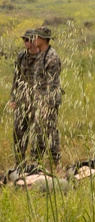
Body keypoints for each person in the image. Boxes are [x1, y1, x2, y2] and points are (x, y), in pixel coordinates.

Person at [10, 27, 62, 169]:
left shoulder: (51, 57)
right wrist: (14, 98)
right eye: (26, 39)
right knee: (20, 131)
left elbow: (52, 84)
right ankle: (25, 165)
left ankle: (48, 165)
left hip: (46, 103)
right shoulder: (25, 56)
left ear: (42, 39)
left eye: (34, 38)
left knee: (47, 133)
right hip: (29, 100)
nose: (30, 41)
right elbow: (17, 78)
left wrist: (46, 105)